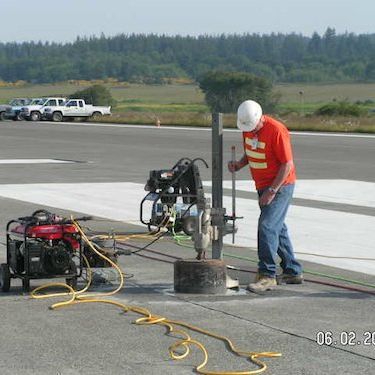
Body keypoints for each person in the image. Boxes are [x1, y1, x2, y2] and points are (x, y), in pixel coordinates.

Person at [228, 100, 303, 293]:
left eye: (253, 127)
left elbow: (287, 165)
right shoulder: (248, 127)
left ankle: (267, 275)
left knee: (267, 226)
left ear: (261, 118)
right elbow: (251, 151)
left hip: (280, 185)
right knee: (277, 228)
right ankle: (292, 270)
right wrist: (239, 164)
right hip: (262, 185)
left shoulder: (277, 130)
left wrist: (272, 191)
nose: (250, 131)